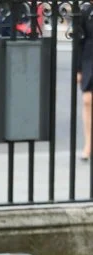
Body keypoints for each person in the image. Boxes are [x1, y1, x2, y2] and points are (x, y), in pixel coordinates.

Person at [78, 3, 93, 160]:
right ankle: (88, 143)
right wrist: (78, 69)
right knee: (87, 99)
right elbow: (79, 41)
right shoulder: (85, 11)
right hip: (89, 58)